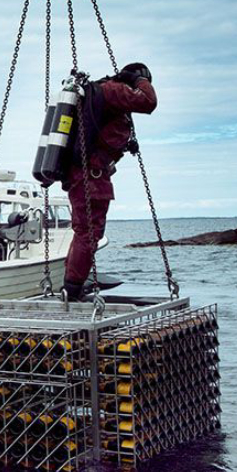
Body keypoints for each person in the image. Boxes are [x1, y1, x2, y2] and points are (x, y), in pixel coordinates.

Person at [63, 63, 157, 300]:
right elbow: (148, 102)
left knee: (85, 231)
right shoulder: (114, 91)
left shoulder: (102, 93)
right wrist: (139, 81)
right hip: (90, 176)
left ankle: (73, 285)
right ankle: (72, 289)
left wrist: (122, 148)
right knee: (89, 232)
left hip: (84, 173)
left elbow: (100, 138)